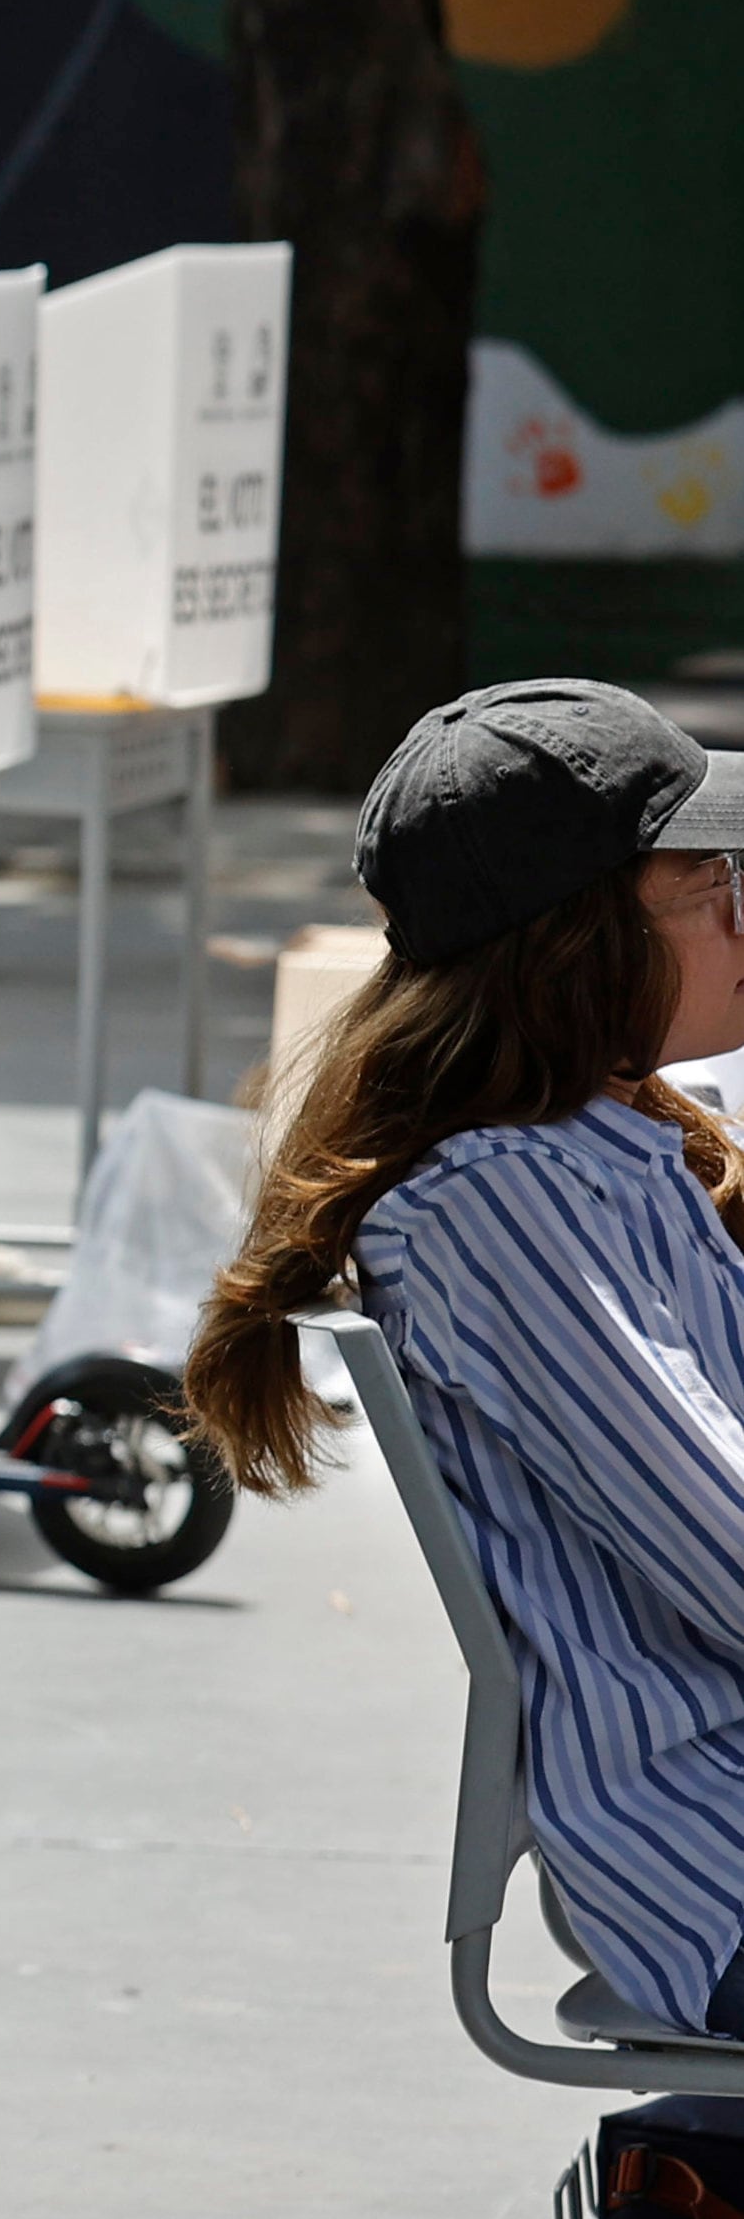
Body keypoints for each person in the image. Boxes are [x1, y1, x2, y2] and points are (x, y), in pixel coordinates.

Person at [189, 683, 744, 2032]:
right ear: (581, 941)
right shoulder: (499, 1201)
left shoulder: (608, 1144)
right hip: (710, 1845)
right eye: (714, 887)